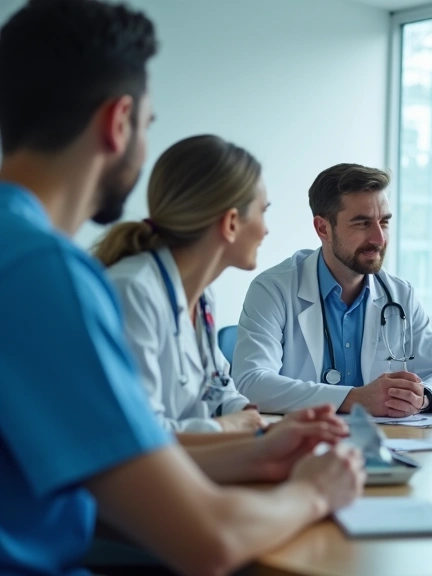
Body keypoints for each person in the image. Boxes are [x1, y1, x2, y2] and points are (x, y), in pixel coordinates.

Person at [0, 2, 365, 575]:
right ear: (118, 123)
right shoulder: (45, 274)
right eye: (147, 125)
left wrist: (260, 452)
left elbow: (121, 460)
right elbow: (208, 541)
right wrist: (316, 490)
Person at [233, 163, 432, 415]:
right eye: (362, 224)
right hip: (302, 444)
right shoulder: (274, 289)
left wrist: (421, 398)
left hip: (385, 442)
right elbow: (251, 383)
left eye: (384, 222)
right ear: (323, 229)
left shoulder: (399, 294)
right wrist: (356, 399)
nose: (379, 238)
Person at [95, 135, 269, 433]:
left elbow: (218, 387)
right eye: (263, 212)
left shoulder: (201, 298)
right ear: (230, 223)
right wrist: (228, 427)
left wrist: (255, 419)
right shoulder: (133, 290)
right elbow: (142, 432)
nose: (266, 230)